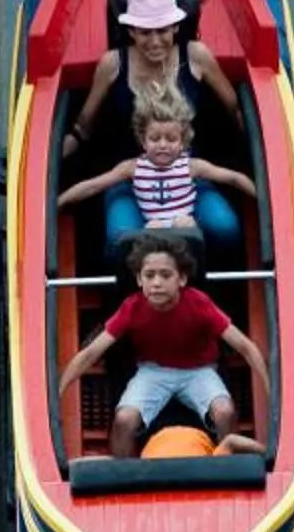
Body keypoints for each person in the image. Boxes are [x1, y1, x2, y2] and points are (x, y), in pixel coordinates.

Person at [58, 236, 272, 459]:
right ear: (139, 280)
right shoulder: (131, 307)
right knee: (124, 420)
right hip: (153, 371)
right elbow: (91, 353)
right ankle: (124, 478)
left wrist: (270, 392)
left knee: (225, 412)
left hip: (199, 371)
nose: (156, 283)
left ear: (181, 279)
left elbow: (246, 347)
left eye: (165, 275)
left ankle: (232, 467)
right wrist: (58, 392)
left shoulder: (200, 303)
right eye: (149, 276)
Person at [60, 0, 241, 180]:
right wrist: (59, 154)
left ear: (175, 28)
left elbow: (233, 111)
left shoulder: (197, 56)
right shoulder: (112, 64)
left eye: (162, 30)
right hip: (126, 177)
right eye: (145, 32)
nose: (155, 42)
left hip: (190, 173)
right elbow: (84, 126)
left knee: (221, 214)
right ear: (131, 31)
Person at [57, 80, 255, 262]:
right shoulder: (133, 168)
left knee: (185, 225)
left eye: (171, 139)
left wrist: (263, 198)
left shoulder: (192, 166)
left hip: (185, 232)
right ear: (143, 140)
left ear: (183, 142)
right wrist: (60, 202)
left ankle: (190, 274)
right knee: (152, 229)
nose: (163, 145)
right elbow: (93, 185)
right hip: (153, 229)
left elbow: (234, 178)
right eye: (155, 139)